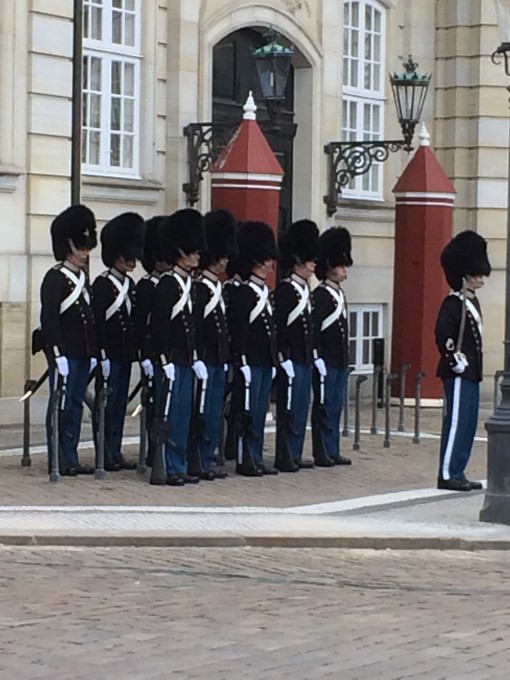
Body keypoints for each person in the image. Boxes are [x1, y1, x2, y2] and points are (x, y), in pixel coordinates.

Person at [38, 204, 98, 476]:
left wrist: (95, 351)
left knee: (75, 405)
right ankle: (58, 457)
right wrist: (57, 353)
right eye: (81, 247)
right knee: (60, 405)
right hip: (65, 353)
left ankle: (71, 455)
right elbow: (49, 319)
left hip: (82, 352)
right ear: (69, 247)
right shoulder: (55, 278)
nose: (85, 253)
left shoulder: (82, 278)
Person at [150, 209, 207, 486]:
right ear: (181, 252)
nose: (198, 256)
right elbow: (159, 327)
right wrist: (163, 359)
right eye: (194, 252)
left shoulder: (191, 286)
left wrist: (195, 357)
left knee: (185, 415)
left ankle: (180, 463)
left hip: (186, 359)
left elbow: (193, 327)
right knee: (171, 416)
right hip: (170, 361)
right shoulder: (167, 284)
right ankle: (168, 466)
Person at [436, 230, 491, 491]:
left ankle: (458, 469)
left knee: (468, 424)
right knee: (457, 422)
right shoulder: (453, 302)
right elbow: (443, 332)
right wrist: (453, 358)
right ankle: (447, 473)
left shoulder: (471, 302)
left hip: (471, 372)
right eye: (476, 273)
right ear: (464, 274)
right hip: (458, 371)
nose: (480, 278)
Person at [92, 212, 145, 471]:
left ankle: (115, 450)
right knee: (106, 405)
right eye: (128, 255)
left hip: (124, 354)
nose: (132, 260)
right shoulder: (102, 284)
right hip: (108, 355)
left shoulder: (130, 285)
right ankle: (104, 451)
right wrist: (100, 355)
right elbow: (98, 324)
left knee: (120, 405)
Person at [227, 221, 279, 476]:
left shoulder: (266, 292)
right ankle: (244, 457)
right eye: (267, 260)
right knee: (246, 412)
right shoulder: (244, 293)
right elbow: (240, 332)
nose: (271, 265)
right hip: (249, 362)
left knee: (259, 412)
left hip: (264, 361)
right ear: (257, 260)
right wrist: (242, 361)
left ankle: (256, 455)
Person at [192, 209, 238, 480]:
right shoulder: (200, 287)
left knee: (214, 412)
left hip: (218, 358)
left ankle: (208, 457)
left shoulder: (215, 287)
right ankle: (199, 457)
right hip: (206, 358)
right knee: (204, 410)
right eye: (220, 256)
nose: (224, 261)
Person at [274, 219, 323, 471]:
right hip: (291, 358)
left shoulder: (305, 291)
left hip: (304, 358)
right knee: (289, 409)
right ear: (297, 261)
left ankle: (295, 451)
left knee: (302, 407)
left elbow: (310, 327)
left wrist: (315, 355)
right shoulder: (285, 291)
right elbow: (280, 328)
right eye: (310, 260)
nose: (314, 264)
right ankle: (284, 453)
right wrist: (282, 358)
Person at [311, 226, 353, 466]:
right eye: (340, 265)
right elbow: (315, 330)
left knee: (336, 407)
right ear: (329, 266)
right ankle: (322, 450)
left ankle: (333, 447)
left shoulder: (339, 294)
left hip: (339, 360)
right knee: (324, 407)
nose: (344, 270)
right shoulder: (321, 295)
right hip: (326, 360)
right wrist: (317, 357)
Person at [133, 215, 169, 467]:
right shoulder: (146, 286)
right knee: (155, 406)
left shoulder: (171, 284)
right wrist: (145, 356)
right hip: (154, 356)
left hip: (168, 355)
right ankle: (154, 452)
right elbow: (142, 326)